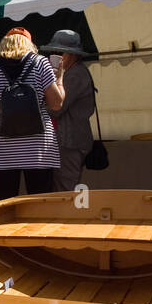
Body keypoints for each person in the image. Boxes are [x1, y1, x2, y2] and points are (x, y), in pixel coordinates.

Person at [0, 27, 64, 201]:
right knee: (41, 202)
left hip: (4, 145)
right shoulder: (41, 62)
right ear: (29, 44)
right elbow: (56, 103)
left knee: (4, 203)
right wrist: (59, 78)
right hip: (38, 146)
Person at [39, 30, 97, 191]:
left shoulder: (75, 75)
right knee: (61, 186)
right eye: (54, 52)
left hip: (69, 141)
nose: (55, 55)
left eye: (59, 52)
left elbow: (56, 108)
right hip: (67, 140)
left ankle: (67, 216)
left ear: (73, 55)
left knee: (65, 188)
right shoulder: (70, 73)